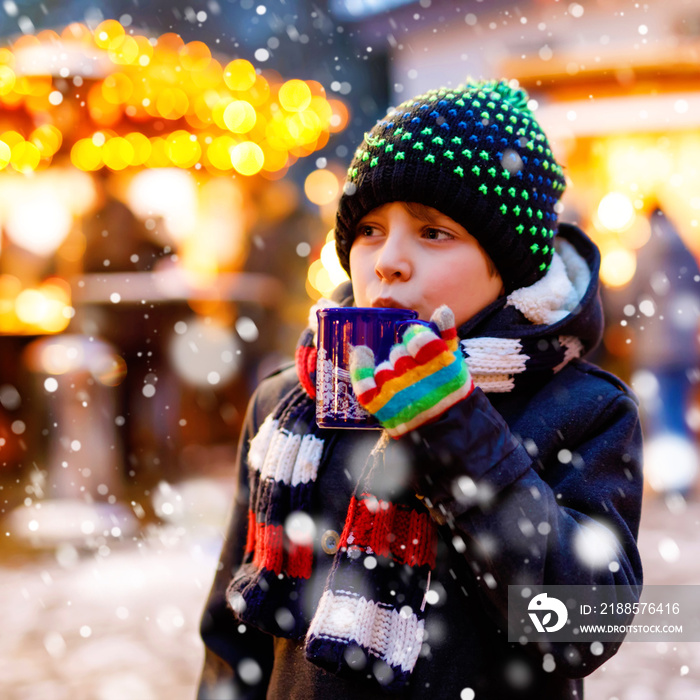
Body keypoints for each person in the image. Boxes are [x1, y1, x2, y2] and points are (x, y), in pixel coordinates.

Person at [197, 79, 643, 699]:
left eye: (433, 232)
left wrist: (456, 427)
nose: (388, 261)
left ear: (508, 264)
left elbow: (584, 626)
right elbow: (234, 634)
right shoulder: (289, 404)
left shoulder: (582, 410)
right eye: (371, 230)